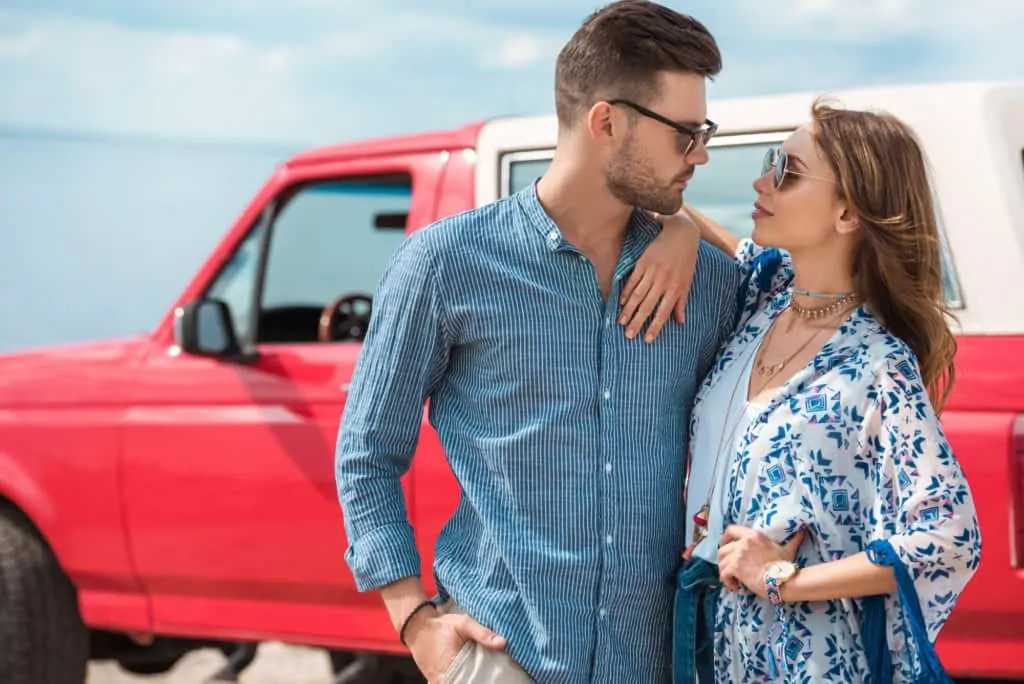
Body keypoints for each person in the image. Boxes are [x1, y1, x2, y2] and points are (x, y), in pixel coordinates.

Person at [334, 1, 738, 682]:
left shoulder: (710, 286)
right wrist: (415, 622)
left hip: (656, 665)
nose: (701, 153)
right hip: (499, 657)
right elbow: (366, 455)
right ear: (606, 122)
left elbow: (810, 295)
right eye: (686, 134)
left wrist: (684, 226)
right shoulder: (446, 264)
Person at [634, 100, 982, 682]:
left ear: (848, 212)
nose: (760, 180)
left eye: (786, 171)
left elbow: (947, 537)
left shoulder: (878, 364)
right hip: (719, 641)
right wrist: (677, 226)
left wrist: (782, 579)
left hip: (807, 656)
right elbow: (672, 212)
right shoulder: (763, 296)